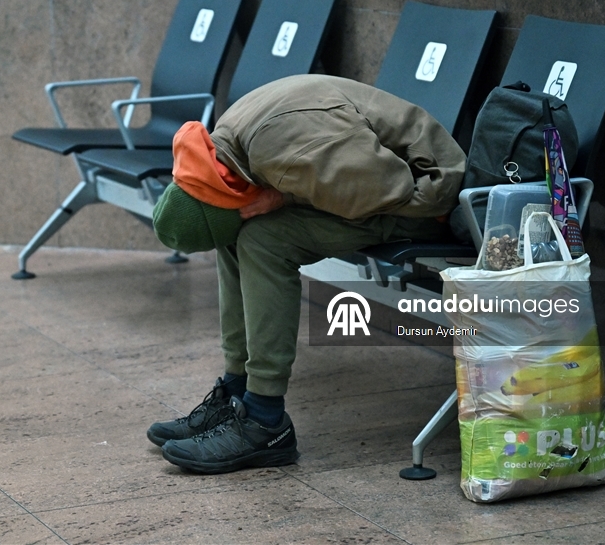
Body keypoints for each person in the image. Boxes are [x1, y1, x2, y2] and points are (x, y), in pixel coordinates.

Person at [147, 74, 466, 474]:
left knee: (263, 240)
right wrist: (281, 194)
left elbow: (388, 188)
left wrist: (283, 196)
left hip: (428, 195)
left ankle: (265, 421)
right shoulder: (229, 141)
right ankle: (236, 391)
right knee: (238, 234)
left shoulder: (286, 150)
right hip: (372, 177)